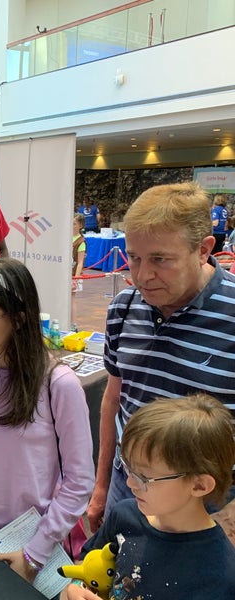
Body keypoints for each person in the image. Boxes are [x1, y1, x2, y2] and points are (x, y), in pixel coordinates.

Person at [87, 182, 235, 535]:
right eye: (134, 257)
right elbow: (114, 400)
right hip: (129, 486)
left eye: (160, 260)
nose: (142, 276)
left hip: (207, 501)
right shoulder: (123, 309)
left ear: (203, 249)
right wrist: (102, 485)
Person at [0, 258, 95, 584]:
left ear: (19, 319)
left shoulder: (59, 384)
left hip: (35, 543)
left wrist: (34, 553)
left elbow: (79, 483)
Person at [64, 394, 235, 600]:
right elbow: (85, 564)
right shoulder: (125, 516)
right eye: (129, 469)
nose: (129, 483)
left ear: (199, 485)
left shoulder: (219, 574)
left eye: (143, 477)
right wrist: (73, 588)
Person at [71, 213, 86, 326]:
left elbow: (80, 262)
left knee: (72, 299)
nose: (72, 226)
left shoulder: (81, 242)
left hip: (73, 274)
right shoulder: (66, 238)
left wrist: (76, 278)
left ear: (80, 225)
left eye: (74, 224)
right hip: (65, 273)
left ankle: (73, 324)